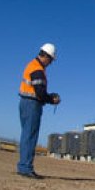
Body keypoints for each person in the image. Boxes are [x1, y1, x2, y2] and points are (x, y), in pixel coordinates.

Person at [17, 43, 61, 179]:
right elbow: (40, 93)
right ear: (46, 56)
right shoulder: (37, 69)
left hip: (25, 102)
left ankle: (24, 166)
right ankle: (25, 168)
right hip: (32, 105)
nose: (50, 63)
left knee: (26, 135)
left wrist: (48, 97)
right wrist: (52, 99)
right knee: (30, 136)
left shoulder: (32, 65)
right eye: (51, 60)